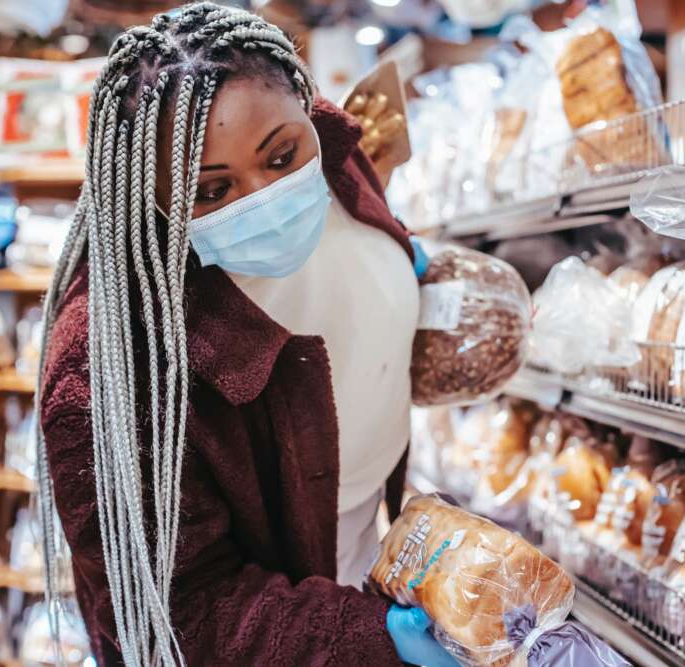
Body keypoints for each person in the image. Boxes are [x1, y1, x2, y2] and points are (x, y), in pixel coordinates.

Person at [34, 4, 456, 665]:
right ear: (152, 195)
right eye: (210, 191)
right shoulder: (106, 366)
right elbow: (184, 613)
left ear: (306, 107)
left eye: (282, 156)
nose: (264, 196)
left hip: (364, 552)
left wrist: (399, 263)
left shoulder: (335, 154)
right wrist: (377, 639)